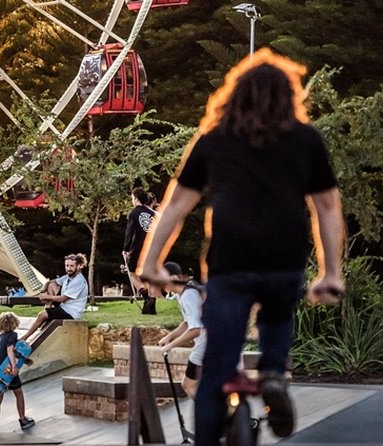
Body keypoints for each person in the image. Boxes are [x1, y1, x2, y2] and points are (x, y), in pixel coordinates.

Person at [138, 48, 345, 445]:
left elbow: (175, 206)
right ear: (290, 97)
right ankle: (271, 375)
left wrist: (152, 262)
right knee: (276, 315)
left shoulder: (214, 140)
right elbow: (327, 208)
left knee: (216, 368)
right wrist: (330, 273)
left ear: (233, 95)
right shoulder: (306, 140)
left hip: (231, 260)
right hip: (284, 255)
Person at [158, 261, 205, 399]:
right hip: (208, 343)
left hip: (205, 344)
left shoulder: (189, 295)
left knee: (189, 385)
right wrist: (169, 337)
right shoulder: (182, 294)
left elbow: (196, 329)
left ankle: (212, 417)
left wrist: (171, 346)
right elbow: (188, 322)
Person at [20, 253, 89, 341]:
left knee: (41, 315)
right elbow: (52, 282)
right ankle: (48, 310)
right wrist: (44, 290)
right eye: (67, 266)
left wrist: (46, 297)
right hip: (64, 306)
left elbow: (63, 298)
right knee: (52, 285)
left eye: (72, 266)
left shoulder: (79, 281)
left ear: (79, 266)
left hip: (71, 313)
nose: (68, 269)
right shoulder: (68, 277)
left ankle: (24, 338)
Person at [0, 312, 35, 435]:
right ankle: (23, 420)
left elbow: (9, 353)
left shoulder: (0, 337)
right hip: (7, 368)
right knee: (18, 393)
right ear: (14, 323)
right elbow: (9, 351)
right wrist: (14, 367)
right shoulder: (12, 335)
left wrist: (24, 360)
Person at [122, 187, 156, 312]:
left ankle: (147, 297)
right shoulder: (153, 213)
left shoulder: (134, 213)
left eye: (132, 198)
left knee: (132, 273)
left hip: (138, 248)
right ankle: (152, 303)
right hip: (152, 248)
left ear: (136, 199)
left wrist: (126, 248)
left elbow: (129, 232)